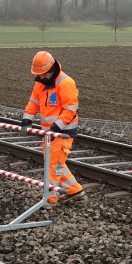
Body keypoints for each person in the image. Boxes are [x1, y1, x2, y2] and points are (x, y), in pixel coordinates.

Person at [21, 51, 85, 204]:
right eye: (38, 74)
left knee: (53, 166)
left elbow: (71, 110)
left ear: (51, 69)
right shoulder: (40, 83)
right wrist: (26, 120)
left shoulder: (65, 83)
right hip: (49, 133)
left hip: (62, 133)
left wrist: (56, 127)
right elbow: (33, 103)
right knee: (55, 163)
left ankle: (50, 199)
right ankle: (75, 190)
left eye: (43, 74)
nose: (41, 77)